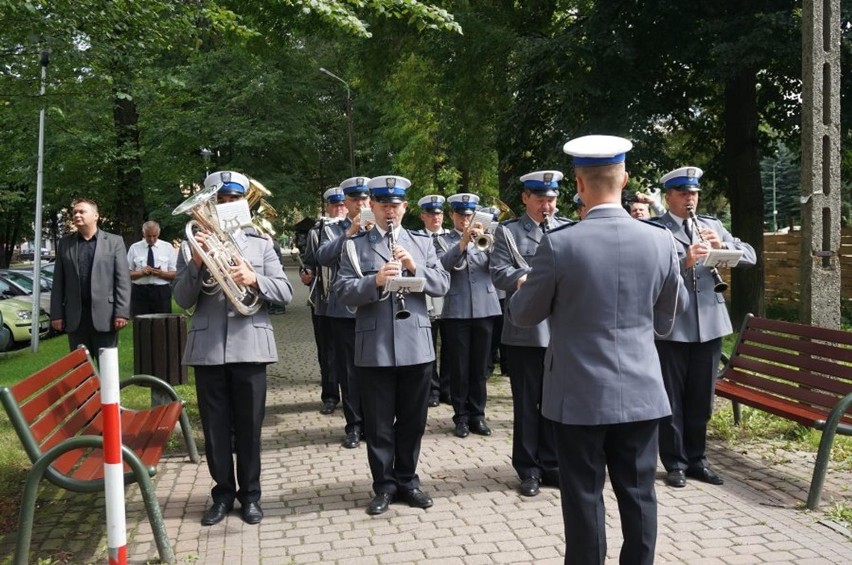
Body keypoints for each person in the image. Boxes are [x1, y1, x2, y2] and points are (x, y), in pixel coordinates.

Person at [508, 135, 688, 564]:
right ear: (624, 179)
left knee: (584, 497)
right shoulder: (661, 240)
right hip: (643, 392)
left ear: (578, 184)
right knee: (640, 494)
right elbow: (668, 318)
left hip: (578, 396)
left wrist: (530, 290)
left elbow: (523, 316)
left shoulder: (560, 243)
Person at [172, 170, 292, 526]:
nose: (225, 206)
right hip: (208, 348)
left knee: (250, 428)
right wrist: (196, 261)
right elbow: (181, 299)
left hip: (251, 346)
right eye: (219, 201)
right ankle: (222, 494)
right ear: (208, 205)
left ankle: (251, 496)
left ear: (242, 203)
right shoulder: (189, 245)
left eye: (232, 200)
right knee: (216, 429)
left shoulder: (261, 243)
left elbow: (284, 292)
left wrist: (255, 278)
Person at [333, 175, 450, 515]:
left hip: (416, 343)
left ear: (405, 207)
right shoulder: (355, 245)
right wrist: (376, 280)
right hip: (375, 346)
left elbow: (442, 284)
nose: (389, 211)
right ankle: (383, 486)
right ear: (373, 206)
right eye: (383, 204)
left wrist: (415, 266)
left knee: (413, 421)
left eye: (395, 205)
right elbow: (342, 290)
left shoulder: (421, 242)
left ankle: (408, 481)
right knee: (380, 423)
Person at [654, 166, 756, 488]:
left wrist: (722, 250)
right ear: (668, 196)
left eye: (694, 193)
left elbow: (750, 257)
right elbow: (648, 273)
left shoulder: (711, 225)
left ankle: (698, 459)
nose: (690, 199)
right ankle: (675, 463)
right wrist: (683, 260)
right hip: (672, 326)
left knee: (701, 400)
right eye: (684, 193)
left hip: (709, 326)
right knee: (672, 400)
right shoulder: (654, 229)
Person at [490, 170, 572, 497]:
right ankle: (528, 468)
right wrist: (522, 278)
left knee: (556, 401)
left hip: (561, 330)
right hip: (525, 331)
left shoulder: (567, 228)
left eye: (551, 199)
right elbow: (497, 272)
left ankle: (552, 464)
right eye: (540, 199)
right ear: (525, 198)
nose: (546, 205)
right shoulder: (508, 232)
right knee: (526, 403)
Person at [438, 193, 502, 438]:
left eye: (469, 215)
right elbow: (442, 265)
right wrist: (463, 242)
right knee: (459, 368)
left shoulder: (488, 238)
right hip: (457, 311)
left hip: (486, 308)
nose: (465, 219)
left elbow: (497, 267)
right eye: (461, 214)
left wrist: (489, 241)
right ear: (453, 215)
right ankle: (461, 417)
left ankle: (478, 415)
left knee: (480, 367)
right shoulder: (444, 240)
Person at [315, 177, 373, 449]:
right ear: (346, 203)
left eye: (364, 199)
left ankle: (376, 424)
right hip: (344, 310)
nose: (360, 204)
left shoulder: (385, 226)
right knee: (349, 372)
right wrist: (351, 230)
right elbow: (323, 256)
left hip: (375, 308)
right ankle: (354, 425)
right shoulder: (334, 229)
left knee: (375, 372)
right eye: (354, 200)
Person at [50, 198, 132, 358]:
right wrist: (57, 314)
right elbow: (58, 282)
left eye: (82, 211)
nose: (77, 215)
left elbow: (122, 280)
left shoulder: (114, 242)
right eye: (74, 212)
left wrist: (121, 312)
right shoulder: (65, 243)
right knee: (80, 367)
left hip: (106, 316)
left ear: (96, 216)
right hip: (75, 317)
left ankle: (106, 385)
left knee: (107, 367)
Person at [301, 187, 348, 416]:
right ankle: (330, 396)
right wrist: (305, 272)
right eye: (335, 205)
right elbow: (309, 261)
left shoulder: (357, 227)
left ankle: (354, 396)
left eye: (342, 204)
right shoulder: (317, 231)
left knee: (349, 352)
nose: (339, 209)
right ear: (328, 207)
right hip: (325, 300)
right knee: (327, 352)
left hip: (351, 302)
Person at [415, 194, 451, 407]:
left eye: (438, 213)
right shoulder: (419, 239)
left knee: (450, 349)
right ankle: (432, 390)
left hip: (450, 298)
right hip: (428, 299)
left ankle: (447, 388)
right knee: (429, 347)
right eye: (431, 214)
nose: (435, 217)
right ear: (423, 216)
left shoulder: (451, 237)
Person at [127, 220, 177, 316]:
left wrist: (161, 274)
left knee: (162, 324)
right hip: (140, 292)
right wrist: (141, 273)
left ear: (159, 233)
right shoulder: (134, 248)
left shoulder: (167, 247)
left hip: (161, 292)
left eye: (154, 236)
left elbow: (175, 274)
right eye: (148, 236)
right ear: (143, 233)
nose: (152, 239)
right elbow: (126, 274)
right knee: (140, 324)